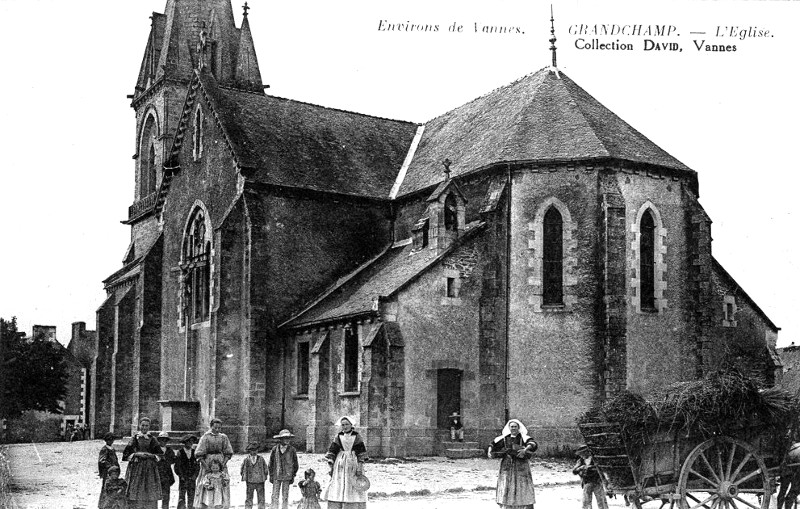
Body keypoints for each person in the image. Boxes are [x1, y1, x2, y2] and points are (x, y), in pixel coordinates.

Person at [489, 419, 537, 509]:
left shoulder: (524, 437)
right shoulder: (504, 438)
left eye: (515, 426)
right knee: (507, 483)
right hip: (507, 465)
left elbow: (533, 444)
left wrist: (524, 450)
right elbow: (493, 444)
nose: (513, 428)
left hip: (521, 466)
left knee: (522, 484)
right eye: (512, 427)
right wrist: (489, 451)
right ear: (509, 428)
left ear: (518, 428)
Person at [324, 417, 368, 509]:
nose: (345, 427)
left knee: (352, 482)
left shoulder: (357, 436)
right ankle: (338, 503)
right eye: (343, 425)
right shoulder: (338, 436)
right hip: (340, 462)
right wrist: (331, 466)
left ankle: (352, 504)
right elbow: (332, 451)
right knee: (338, 482)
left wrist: (359, 467)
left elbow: (361, 453)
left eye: (347, 424)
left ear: (351, 425)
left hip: (353, 461)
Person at [122, 417, 163, 509]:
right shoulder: (135, 439)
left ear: (149, 427)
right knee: (136, 488)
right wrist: (137, 454)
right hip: (137, 467)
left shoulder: (152, 439)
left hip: (150, 469)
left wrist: (150, 455)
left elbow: (160, 454)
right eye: (143, 425)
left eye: (146, 426)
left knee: (149, 489)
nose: (144, 428)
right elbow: (125, 454)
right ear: (140, 425)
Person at [193, 418, 233, 509]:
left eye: (219, 428)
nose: (217, 430)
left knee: (222, 481)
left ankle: (221, 505)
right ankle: (205, 505)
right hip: (208, 460)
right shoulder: (205, 437)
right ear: (211, 427)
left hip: (220, 461)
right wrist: (205, 466)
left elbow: (228, 452)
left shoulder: (223, 437)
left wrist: (223, 463)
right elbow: (199, 454)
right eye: (215, 428)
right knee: (206, 482)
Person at [268, 430, 299, 509]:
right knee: (275, 495)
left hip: (287, 476)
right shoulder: (275, 449)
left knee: (285, 496)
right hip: (276, 475)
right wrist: (271, 475)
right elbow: (271, 463)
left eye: (288, 438)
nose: (287, 440)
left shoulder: (292, 450)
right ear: (280, 439)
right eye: (285, 438)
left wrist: (293, 474)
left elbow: (295, 464)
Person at [240, 441, 268, 509]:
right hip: (250, 482)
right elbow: (242, 469)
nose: (254, 452)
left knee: (261, 497)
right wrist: (245, 477)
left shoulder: (261, 459)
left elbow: (265, 468)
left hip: (260, 481)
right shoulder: (246, 460)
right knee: (249, 497)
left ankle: (261, 508)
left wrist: (264, 476)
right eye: (252, 450)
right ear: (249, 451)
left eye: (256, 450)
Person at [174, 435, 200, 509]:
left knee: (191, 495)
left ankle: (190, 507)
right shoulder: (180, 452)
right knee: (182, 495)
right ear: (184, 443)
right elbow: (177, 466)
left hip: (192, 478)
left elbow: (197, 466)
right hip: (183, 478)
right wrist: (181, 476)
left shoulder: (194, 453)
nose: (190, 443)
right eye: (188, 442)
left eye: (191, 441)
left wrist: (195, 476)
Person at [98, 432, 120, 509]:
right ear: (106, 440)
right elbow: (102, 460)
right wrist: (111, 467)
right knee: (106, 487)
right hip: (108, 472)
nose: (111, 441)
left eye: (112, 440)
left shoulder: (112, 449)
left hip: (114, 472)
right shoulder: (104, 449)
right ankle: (103, 505)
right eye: (109, 440)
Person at [155, 431, 176, 509]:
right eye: (161, 440)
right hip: (157, 474)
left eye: (165, 440)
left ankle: (165, 507)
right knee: (155, 493)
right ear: (159, 440)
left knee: (166, 494)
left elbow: (173, 460)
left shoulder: (169, 450)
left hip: (166, 474)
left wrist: (166, 459)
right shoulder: (155, 450)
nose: (163, 442)